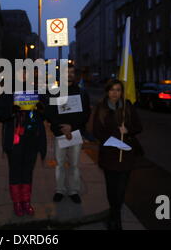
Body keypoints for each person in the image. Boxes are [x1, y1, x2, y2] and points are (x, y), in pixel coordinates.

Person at [0, 68, 47, 216]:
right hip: (15, 139)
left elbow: (45, 113)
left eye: (26, 73)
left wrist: (39, 108)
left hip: (33, 138)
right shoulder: (8, 92)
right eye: (20, 73)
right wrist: (12, 110)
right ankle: (17, 203)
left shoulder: (36, 91)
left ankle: (26, 202)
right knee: (15, 171)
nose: (23, 75)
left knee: (28, 171)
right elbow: (0, 114)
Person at [92, 79, 142, 230]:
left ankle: (116, 216)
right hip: (109, 155)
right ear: (107, 91)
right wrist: (111, 140)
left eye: (118, 90)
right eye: (112, 90)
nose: (115, 93)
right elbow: (96, 131)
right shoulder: (101, 108)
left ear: (122, 92)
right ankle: (114, 215)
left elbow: (139, 126)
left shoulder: (127, 107)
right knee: (111, 189)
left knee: (120, 190)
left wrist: (128, 130)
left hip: (125, 155)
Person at [44, 64, 91, 204]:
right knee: (59, 164)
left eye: (72, 72)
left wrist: (72, 127)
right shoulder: (55, 92)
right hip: (60, 133)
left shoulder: (82, 92)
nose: (69, 75)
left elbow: (86, 114)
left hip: (76, 133)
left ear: (75, 75)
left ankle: (73, 191)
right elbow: (49, 113)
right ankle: (60, 190)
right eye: (66, 72)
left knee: (74, 164)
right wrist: (62, 128)